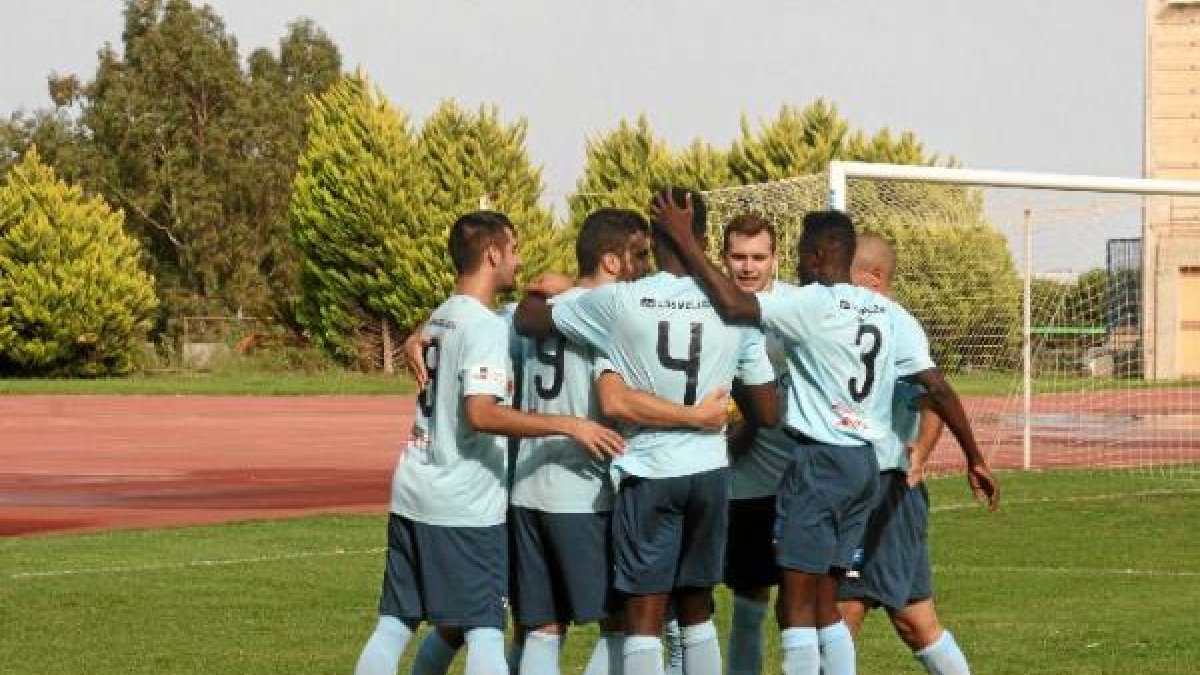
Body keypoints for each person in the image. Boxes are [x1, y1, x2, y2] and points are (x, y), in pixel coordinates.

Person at [651, 194, 998, 675]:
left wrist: (684, 240)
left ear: (815, 256)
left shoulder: (809, 303)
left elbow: (731, 302)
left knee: (798, 606)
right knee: (831, 605)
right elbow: (937, 387)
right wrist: (974, 456)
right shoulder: (886, 313)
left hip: (820, 465)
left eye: (796, 253)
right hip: (864, 466)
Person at [513, 187, 780, 675]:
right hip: (709, 471)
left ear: (654, 242)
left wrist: (564, 290)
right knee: (697, 611)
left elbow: (529, 320)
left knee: (642, 618)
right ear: (705, 239)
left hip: (649, 470)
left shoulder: (621, 301)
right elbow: (766, 412)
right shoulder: (737, 307)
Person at [353, 211, 625, 675]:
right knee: (484, 629)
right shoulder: (486, 327)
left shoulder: (443, 315)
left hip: (414, 487)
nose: (519, 261)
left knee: (396, 624)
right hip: (463, 501)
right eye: (514, 249)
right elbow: (481, 413)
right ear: (494, 254)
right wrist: (569, 425)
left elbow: (430, 344)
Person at [837, 234, 998, 675]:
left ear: (873, 277)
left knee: (851, 615)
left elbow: (933, 396)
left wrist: (922, 453)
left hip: (885, 486)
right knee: (904, 619)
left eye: (846, 273)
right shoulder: (849, 319)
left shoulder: (896, 325)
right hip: (861, 484)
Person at [717, 214, 792, 675]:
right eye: (739, 256)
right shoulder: (709, 311)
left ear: (775, 259)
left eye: (758, 257)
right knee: (748, 603)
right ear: (723, 258)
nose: (748, 267)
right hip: (742, 487)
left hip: (802, 483)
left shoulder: (796, 308)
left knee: (805, 608)